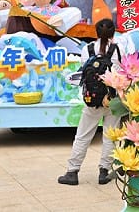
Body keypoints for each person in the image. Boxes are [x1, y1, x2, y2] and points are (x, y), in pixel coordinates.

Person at [58, 18, 122, 186]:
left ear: (96, 32)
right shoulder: (118, 49)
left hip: (91, 99)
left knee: (83, 136)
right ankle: (104, 172)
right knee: (110, 135)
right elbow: (122, 73)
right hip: (113, 100)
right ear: (113, 33)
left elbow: (83, 73)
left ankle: (72, 172)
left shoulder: (87, 49)